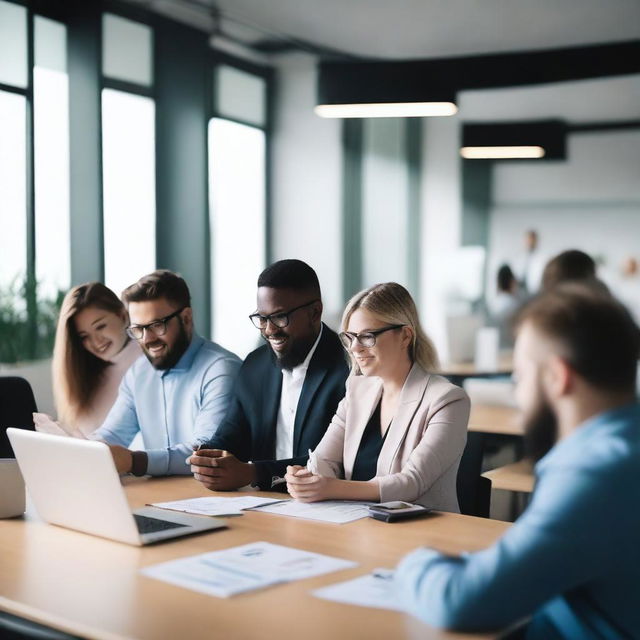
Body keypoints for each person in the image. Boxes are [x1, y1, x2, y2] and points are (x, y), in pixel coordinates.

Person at [394, 284, 640, 638]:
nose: (518, 396)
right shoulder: (622, 447)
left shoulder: (595, 473)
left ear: (558, 377)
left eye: (520, 378)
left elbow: (460, 600)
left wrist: (413, 561)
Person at [285, 282, 470, 511]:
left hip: (419, 533)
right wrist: (306, 478)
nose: (355, 348)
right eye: (350, 337)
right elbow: (324, 460)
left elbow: (410, 484)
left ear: (405, 336)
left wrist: (330, 487)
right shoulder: (357, 390)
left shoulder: (447, 400)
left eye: (367, 337)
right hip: (356, 525)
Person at [189, 259, 349, 491]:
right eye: (262, 318)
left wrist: (254, 473)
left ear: (315, 312)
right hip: (263, 505)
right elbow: (233, 433)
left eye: (280, 317)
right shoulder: (255, 365)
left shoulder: (348, 369)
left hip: (326, 506)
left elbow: (335, 462)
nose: (270, 330)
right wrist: (208, 458)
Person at [91, 270, 241, 476]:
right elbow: (112, 435)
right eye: (138, 329)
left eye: (156, 325)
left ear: (186, 318)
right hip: (160, 497)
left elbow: (205, 452)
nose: (147, 339)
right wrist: (86, 450)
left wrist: (134, 461)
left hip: (212, 498)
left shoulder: (221, 370)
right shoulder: (138, 373)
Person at [33, 282, 141, 438]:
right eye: (84, 336)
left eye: (100, 326)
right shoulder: (87, 374)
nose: (96, 342)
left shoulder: (149, 364)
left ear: (123, 316)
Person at [491, 264, 523, 349]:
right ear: (511, 281)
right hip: (511, 347)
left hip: (498, 347)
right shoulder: (514, 304)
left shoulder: (494, 303)